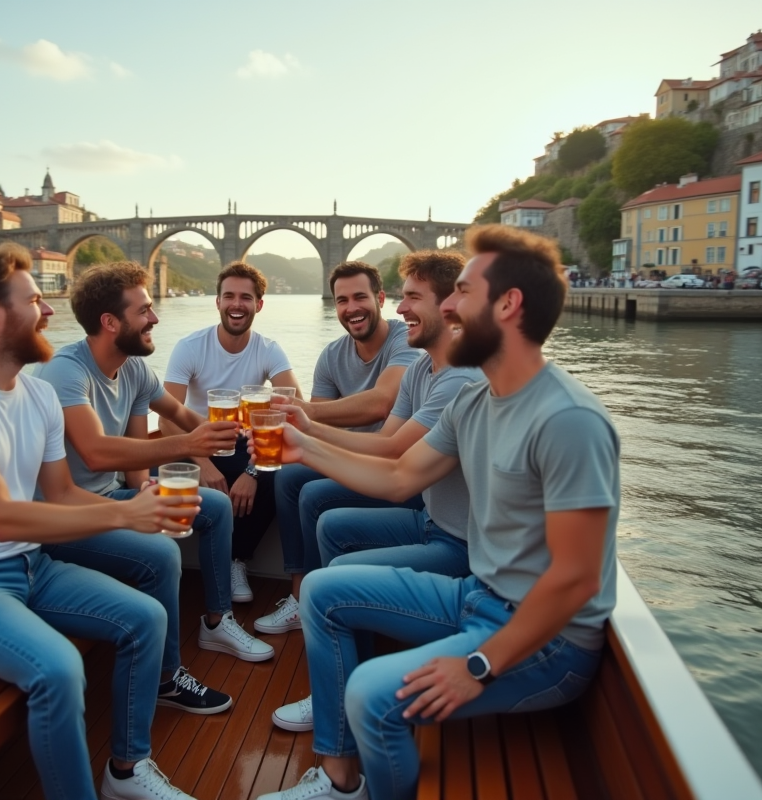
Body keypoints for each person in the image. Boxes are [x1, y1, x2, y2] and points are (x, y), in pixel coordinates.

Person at [259, 224, 621, 800]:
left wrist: (480, 664)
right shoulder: (474, 398)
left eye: (463, 293)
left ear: (508, 304)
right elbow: (400, 475)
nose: (448, 306)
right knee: (323, 590)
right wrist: (305, 448)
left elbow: (577, 579)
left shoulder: (568, 420)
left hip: (546, 640)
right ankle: (340, 778)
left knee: (372, 695)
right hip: (479, 594)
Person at [0, 244, 197, 800]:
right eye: (36, 300)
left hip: (31, 565)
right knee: (59, 668)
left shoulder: (38, 396)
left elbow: (61, 494)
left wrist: (143, 511)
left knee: (147, 618)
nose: (49, 311)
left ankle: (127, 771)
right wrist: (124, 512)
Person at [35, 261, 273, 714]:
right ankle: (166, 678)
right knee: (162, 554)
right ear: (110, 322)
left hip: (110, 497)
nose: (155, 318)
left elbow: (183, 417)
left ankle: (217, 621)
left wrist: (237, 437)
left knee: (215, 505)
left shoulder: (133, 369)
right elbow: (96, 453)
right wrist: (189, 445)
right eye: (144, 310)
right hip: (62, 517)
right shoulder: (66, 372)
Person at [267, 249, 484, 734]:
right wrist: (307, 430)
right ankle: (348, 666)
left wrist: (307, 438)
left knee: (331, 575)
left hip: (462, 546)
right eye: (402, 298)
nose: (401, 309)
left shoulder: (462, 381)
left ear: (451, 305)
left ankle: (338, 698)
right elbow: (387, 441)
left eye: (412, 298)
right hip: (431, 519)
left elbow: (395, 459)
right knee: (331, 524)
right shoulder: (423, 369)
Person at [257, 261, 419, 636]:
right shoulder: (332, 355)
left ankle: (320, 599)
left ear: (381, 299)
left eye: (360, 297)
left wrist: (306, 411)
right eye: (342, 300)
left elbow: (381, 402)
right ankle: (299, 594)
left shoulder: (405, 342)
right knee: (288, 476)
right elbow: (318, 431)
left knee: (313, 494)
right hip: (353, 458)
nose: (351, 308)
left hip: (394, 465)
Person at [162, 261, 302, 603]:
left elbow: (294, 409)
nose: (236, 304)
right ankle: (170, 566)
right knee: (174, 470)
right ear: (218, 302)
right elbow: (167, 420)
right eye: (229, 296)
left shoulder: (268, 349)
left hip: (241, 444)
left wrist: (253, 472)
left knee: (279, 472)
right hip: (195, 443)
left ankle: (237, 559)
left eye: (245, 297)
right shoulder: (190, 347)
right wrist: (204, 465)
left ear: (259, 305)